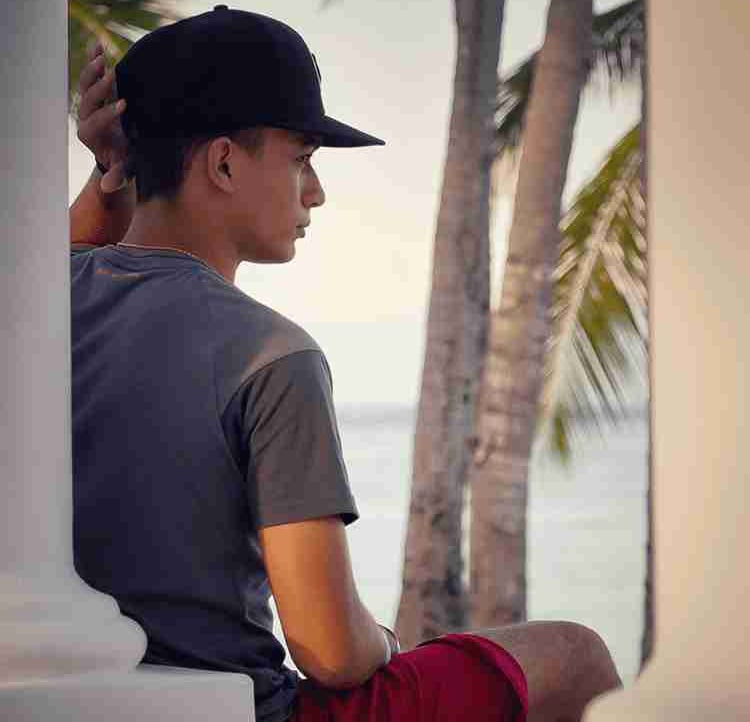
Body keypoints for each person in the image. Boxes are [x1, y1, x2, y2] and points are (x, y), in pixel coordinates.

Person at [69, 7, 622, 722]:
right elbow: (328, 650)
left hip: (83, 699)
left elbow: (62, 259)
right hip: (244, 712)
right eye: (301, 159)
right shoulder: (269, 354)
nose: (316, 192)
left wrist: (112, 173)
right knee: (575, 656)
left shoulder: (36, 308)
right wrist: (386, 642)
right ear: (225, 162)